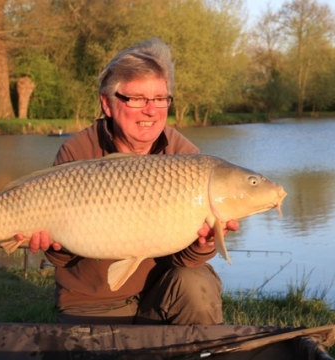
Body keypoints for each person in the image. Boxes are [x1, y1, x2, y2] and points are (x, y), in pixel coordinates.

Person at [16, 38, 239, 325]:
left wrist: (205, 242)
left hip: (163, 291)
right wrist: (53, 245)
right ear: (107, 103)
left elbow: (188, 262)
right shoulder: (78, 151)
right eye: (137, 99)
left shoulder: (186, 158)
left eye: (160, 99)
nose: (151, 110)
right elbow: (64, 260)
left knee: (197, 283)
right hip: (92, 299)